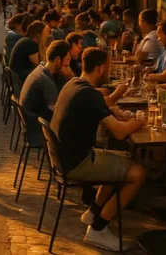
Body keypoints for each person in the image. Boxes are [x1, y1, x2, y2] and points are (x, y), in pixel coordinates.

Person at [51, 48, 149, 251]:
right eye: (109, 67)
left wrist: (117, 112)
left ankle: (94, 211)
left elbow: (102, 106)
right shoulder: (88, 93)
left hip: (64, 157)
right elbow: (121, 133)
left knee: (122, 157)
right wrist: (138, 121)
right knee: (138, 173)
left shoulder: (75, 84)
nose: (109, 71)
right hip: (77, 162)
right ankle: (98, 229)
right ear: (101, 68)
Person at [9, 20, 45, 90]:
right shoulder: (29, 43)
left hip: (17, 75)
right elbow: (38, 64)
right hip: (19, 77)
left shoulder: (26, 40)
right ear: (38, 34)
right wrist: (42, 46)